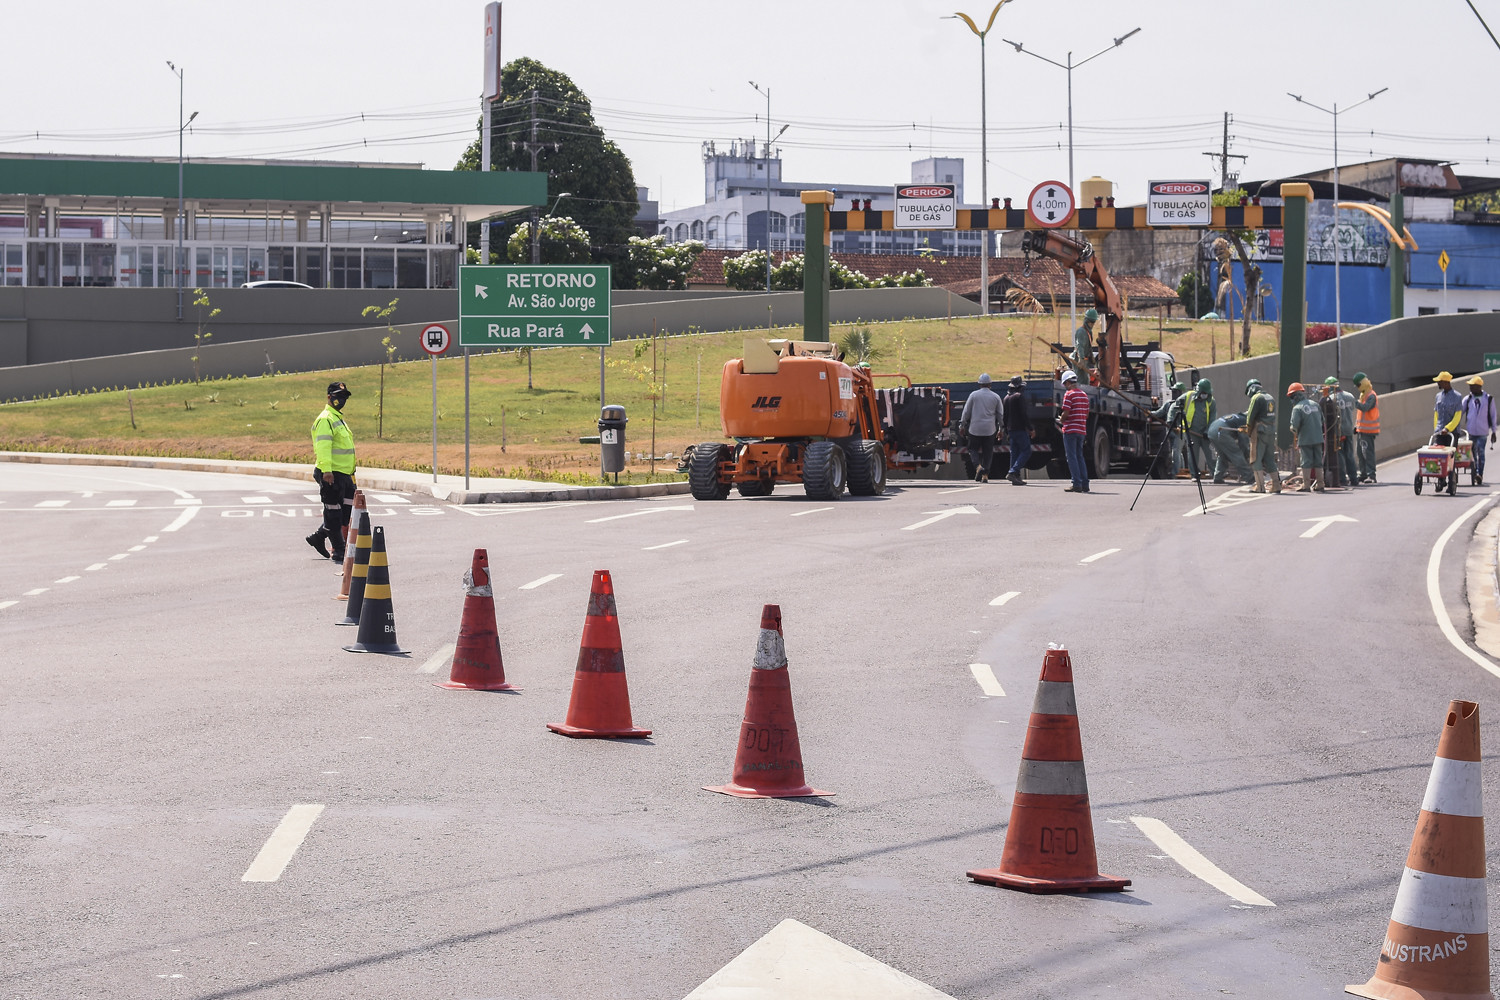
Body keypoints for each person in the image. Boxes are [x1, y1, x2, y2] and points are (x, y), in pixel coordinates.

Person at [306, 381, 357, 560]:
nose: (341, 400)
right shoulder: (325, 419)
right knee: (333, 513)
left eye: (344, 397)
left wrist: (352, 472)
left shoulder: (338, 419)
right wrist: (327, 471)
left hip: (345, 474)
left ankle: (318, 537)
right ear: (329, 397)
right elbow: (323, 447)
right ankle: (339, 551)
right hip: (331, 474)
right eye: (338, 396)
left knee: (345, 513)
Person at [958, 372, 1003, 483]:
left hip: (975, 429)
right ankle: (985, 476)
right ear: (990, 384)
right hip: (990, 430)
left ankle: (978, 467)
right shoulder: (996, 397)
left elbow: (966, 412)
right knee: (988, 452)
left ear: (979, 384)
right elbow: (1000, 415)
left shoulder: (973, 395)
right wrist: (1001, 429)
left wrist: (962, 425)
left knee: (972, 449)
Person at [1244, 378, 1282, 494]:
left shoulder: (1256, 398)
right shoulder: (1270, 397)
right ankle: (1276, 485)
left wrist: (1248, 431)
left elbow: (1250, 417)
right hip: (1271, 431)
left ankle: (1260, 487)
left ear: (1251, 389)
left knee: (1255, 459)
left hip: (1260, 431)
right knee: (1270, 459)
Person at [1288, 382, 1325, 492]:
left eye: (1291, 397)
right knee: (1318, 461)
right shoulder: (1315, 404)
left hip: (1305, 439)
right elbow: (1322, 420)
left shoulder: (1297, 408)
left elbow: (1294, 426)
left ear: (1295, 396)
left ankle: (1306, 485)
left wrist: (1293, 429)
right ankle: (1320, 484)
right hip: (1318, 438)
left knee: (1306, 462)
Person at [1461, 375, 1498, 486]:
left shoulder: (1488, 399)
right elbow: (1460, 412)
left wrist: (1494, 431)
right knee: (1472, 454)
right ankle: (1475, 471)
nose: (1470, 388)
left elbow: (1493, 415)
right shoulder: (1468, 399)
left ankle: (1479, 473)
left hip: (1482, 431)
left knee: (1481, 453)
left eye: (1472, 386)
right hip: (1471, 431)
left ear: (1478, 386)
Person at [1059, 369, 1090, 493]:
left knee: (1071, 457)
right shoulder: (1084, 395)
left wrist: (1061, 419)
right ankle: (1085, 484)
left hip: (1070, 429)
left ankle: (1076, 483)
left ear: (1067, 382)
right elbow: (1086, 415)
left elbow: (1066, 413)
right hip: (1081, 430)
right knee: (1079, 456)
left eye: (1064, 384)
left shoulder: (1069, 394)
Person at [1149, 380, 1187, 478]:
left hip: (1179, 432)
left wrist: (1181, 427)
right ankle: (1180, 470)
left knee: (1176, 451)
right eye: (1173, 391)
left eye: (1176, 392)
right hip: (1170, 431)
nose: (1174, 393)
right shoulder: (1168, 404)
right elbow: (1159, 413)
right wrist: (1149, 413)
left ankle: (1176, 473)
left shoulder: (1185, 405)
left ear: (1181, 393)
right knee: (1176, 452)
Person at [1180, 378, 1217, 478]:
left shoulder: (1211, 401)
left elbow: (1212, 418)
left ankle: (1216, 474)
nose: (1205, 395)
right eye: (1203, 393)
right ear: (1199, 391)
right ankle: (1194, 475)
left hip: (1205, 434)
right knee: (1193, 454)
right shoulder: (1188, 397)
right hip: (1192, 432)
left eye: (1206, 393)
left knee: (1210, 453)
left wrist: (1207, 431)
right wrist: (1173, 420)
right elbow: (1175, 406)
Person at [1325, 376, 1358, 487]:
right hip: (1348, 430)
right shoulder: (1350, 396)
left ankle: (1342, 479)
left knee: (1339, 456)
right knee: (1350, 455)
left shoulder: (1331, 398)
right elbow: (1352, 409)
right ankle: (1354, 478)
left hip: (1337, 431)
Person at [1002, 375, 1033, 485]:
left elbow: (1005, 417)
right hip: (1019, 428)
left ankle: (1016, 476)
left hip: (1011, 429)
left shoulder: (1006, 398)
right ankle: (1013, 471)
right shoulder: (1019, 397)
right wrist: (1030, 428)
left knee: (1014, 453)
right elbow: (1023, 414)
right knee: (1026, 451)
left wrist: (1006, 430)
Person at [1208, 412, 1253, 484]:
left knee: (1223, 455)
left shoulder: (1236, 417)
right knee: (1236, 454)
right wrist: (1246, 455)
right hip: (1222, 431)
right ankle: (1250, 478)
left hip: (1211, 431)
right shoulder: (1244, 421)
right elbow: (1243, 441)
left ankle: (1217, 477)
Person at [1352, 371, 1379, 484]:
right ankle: (1363, 474)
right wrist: (1356, 426)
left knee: (1368, 453)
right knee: (1360, 453)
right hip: (1361, 430)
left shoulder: (1371, 396)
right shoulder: (1363, 395)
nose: (1358, 387)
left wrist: (1355, 402)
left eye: (1359, 385)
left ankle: (1371, 475)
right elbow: (1360, 414)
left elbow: (1365, 408)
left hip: (1369, 430)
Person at [1071, 308, 1098, 379]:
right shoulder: (1081, 332)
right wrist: (1081, 359)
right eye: (1092, 322)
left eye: (1093, 322)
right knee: (1081, 381)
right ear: (1087, 321)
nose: (1093, 324)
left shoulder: (1088, 332)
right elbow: (1080, 346)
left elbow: (1088, 346)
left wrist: (1091, 356)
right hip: (1079, 360)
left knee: (1085, 380)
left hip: (1085, 360)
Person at [1434, 371, 1463, 437]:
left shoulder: (1457, 396)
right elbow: (1436, 414)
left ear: (1446, 382)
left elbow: (1458, 416)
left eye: (1439, 382)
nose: (1438, 383)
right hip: (1439, 431)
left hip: (1453, 433)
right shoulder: (1438, 396)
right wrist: (1436, 428)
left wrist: (1447, 429)